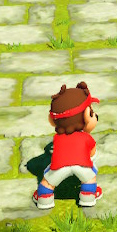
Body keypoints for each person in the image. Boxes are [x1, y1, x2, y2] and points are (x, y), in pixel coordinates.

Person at [34, 81, 101, 210]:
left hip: (58, 168)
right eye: (92, 112)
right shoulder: (87, 138)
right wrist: (90, 160)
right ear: (87, 115)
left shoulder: (57, 138)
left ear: (51, 120)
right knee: (90, 177)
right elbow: (92, 154)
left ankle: (44, 197)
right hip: (83, 167)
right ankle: (88, 196)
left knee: (48, 181)